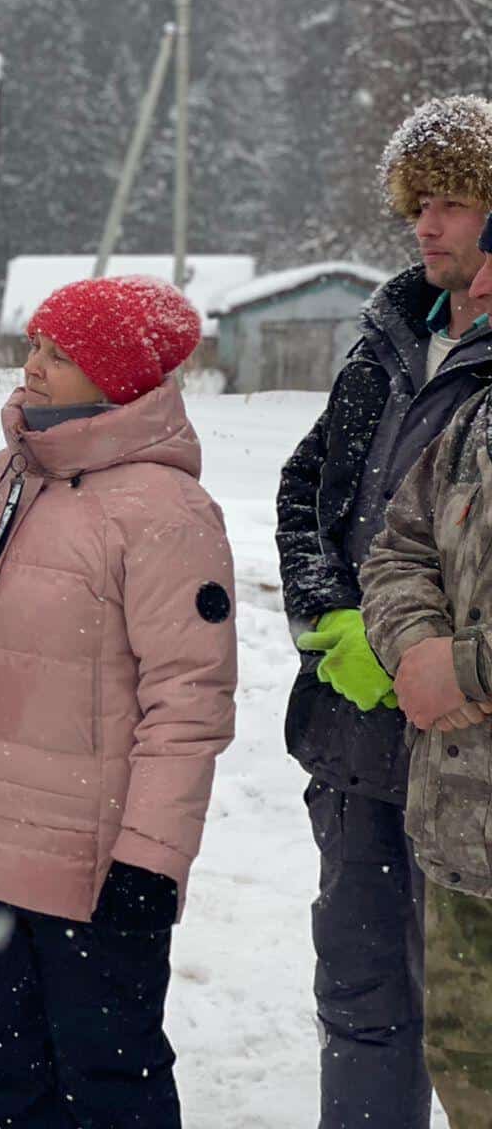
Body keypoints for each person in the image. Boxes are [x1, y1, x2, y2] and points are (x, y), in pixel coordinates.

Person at [0, 275, 237, 1128]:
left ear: (115, 379)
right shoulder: (4, 474)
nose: (32, 365)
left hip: (90, 875)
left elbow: (189, 702)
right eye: (34, 343)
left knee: (109, 1085)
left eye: (60, 355)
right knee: (9, 1069)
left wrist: (151, 858)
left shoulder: (165, 512)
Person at [274, 95, 492, 1128]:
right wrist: (328, 622)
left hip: (472, 747)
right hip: (357, 737)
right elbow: (303, 488)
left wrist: (432, 651)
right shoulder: (385, 337)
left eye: (453, 201)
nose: (426, 224)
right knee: (361, 1005)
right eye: (418, 203)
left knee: (476, 1029)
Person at [358, 211, 492, 1129]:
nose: (477, 287)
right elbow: (396, 546)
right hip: (464, 843)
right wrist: (413, 649)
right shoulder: (479, 413)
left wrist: (470, 669)